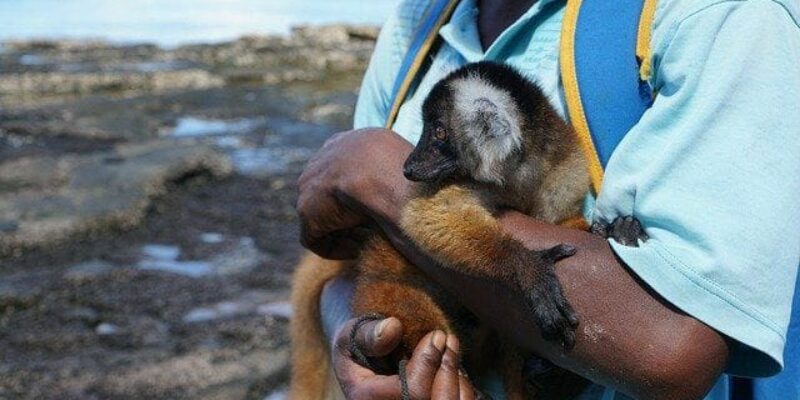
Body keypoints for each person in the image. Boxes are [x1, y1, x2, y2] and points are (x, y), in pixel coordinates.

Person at [295, 0, 800, 398]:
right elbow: (347, 263)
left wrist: (372, 167)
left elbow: (674, 351)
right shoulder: (419, 21)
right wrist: (362, 343)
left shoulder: (719, 16)